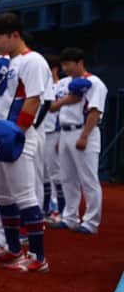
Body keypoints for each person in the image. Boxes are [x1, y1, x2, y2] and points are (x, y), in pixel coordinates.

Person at [0, 13, 52, 271]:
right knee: (2, 196)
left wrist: (16, 134)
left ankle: (38, 257)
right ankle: (14, 248)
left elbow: (34, 99)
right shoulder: (5, 62)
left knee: (25, 195)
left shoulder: (33, 60)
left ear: (14, 35)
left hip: (16, 137)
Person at [53, 47, 107, 234]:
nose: (65, 68)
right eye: (63, 65)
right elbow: (55, 108)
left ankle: (91, 222)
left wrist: (84, 136)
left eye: (68, 64)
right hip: (65, 131)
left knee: (88, 179)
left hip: (84, 131)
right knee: (67, 178)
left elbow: (95, 111)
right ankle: (70, 218)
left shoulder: (94, 82)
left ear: (79, 62)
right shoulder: (64, 83)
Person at [42, 56, 67, 223]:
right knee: (43, 174)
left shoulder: (62, 86)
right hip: (41, 132)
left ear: (55, 69)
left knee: (56, 173)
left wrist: (61, 136)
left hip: (55, 132)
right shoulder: (42, 85)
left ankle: (61, 210)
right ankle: (46, 208)